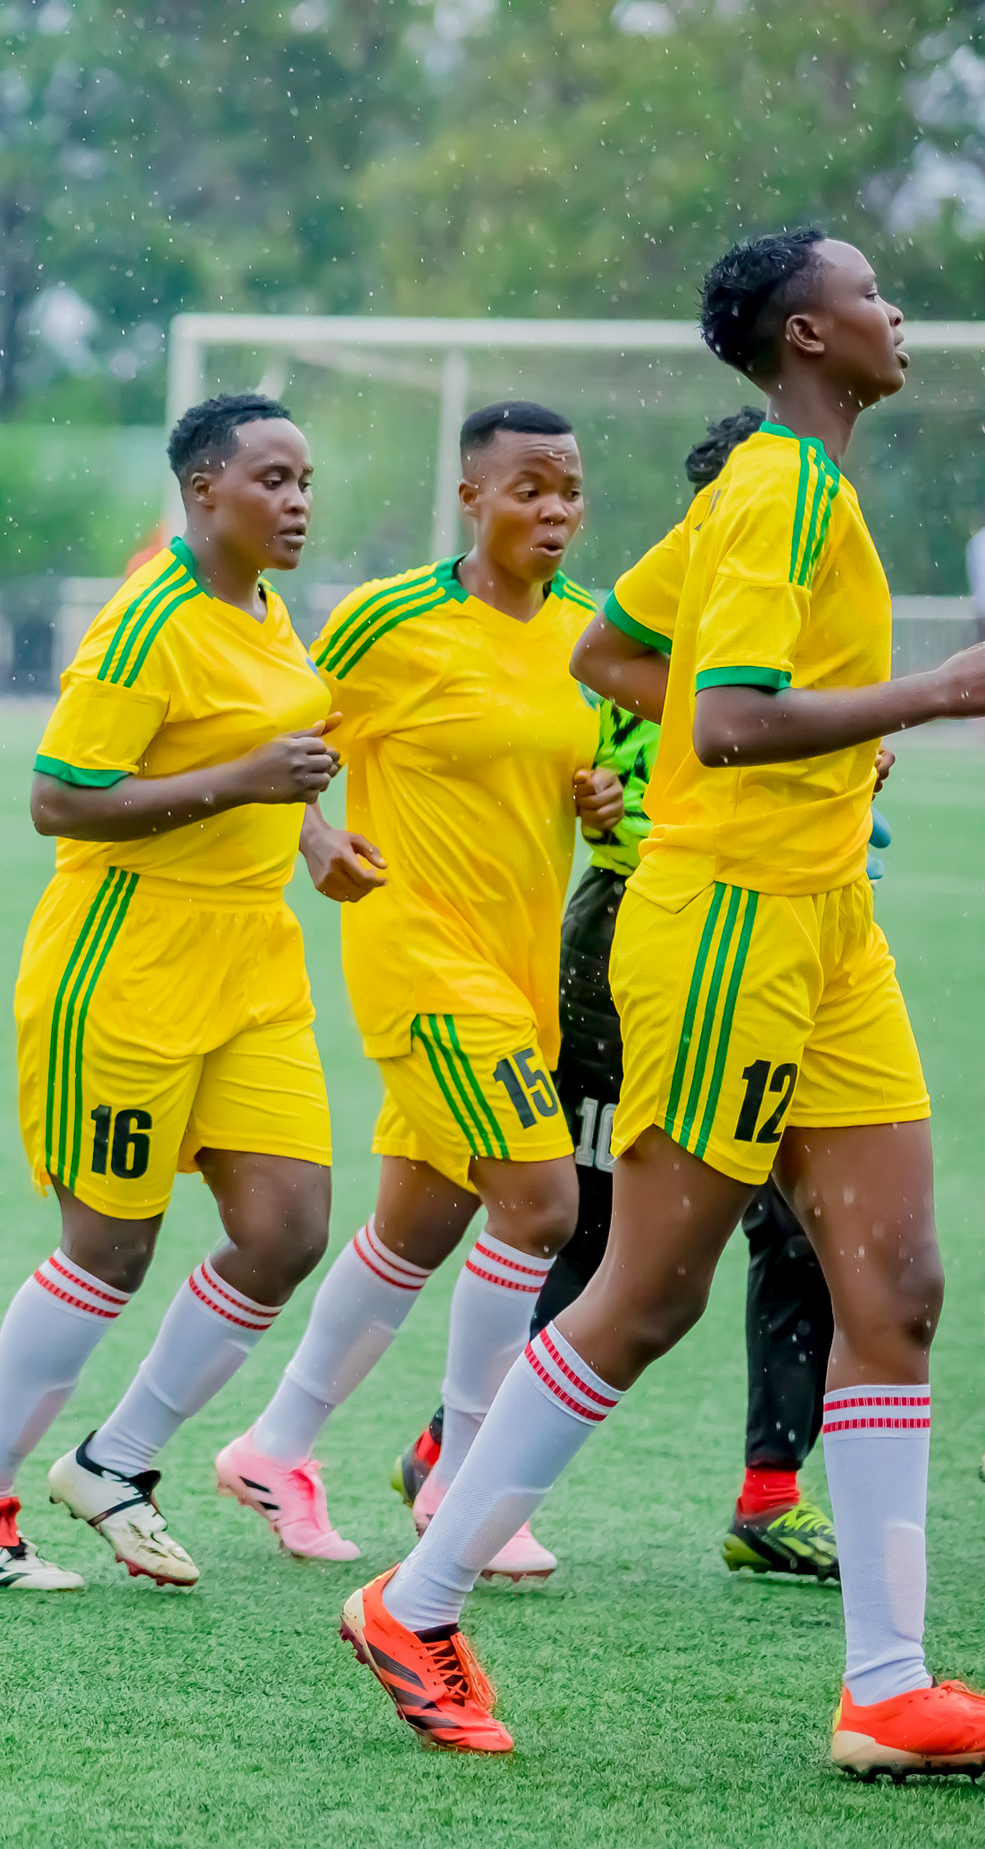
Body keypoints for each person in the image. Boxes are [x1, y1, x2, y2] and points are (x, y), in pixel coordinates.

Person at [342, 229, 985, 1774]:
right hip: (726, 932)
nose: (895, 309)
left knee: (895, 1290)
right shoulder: (778, 491)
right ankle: (415, 1603)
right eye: (869, 290)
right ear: (807, 336)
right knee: (647, 1293)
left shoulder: (775, 490)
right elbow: (730, 719)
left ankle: (888, 1691)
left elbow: (614, 651)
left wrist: (828, 749)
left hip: (827, 925)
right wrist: (930, 693)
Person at [387, 406, 847, 1585]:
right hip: (649, 938)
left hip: (807, 942)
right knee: (593, 1224)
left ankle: (770, 1488)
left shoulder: (810, 620)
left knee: (806, 1229)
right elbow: (596, 749)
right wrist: (599, 801)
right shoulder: (650, 627)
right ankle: (459, 1460)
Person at [0, 391, 340, 1593]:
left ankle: (115, 1460)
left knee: (286, 1229)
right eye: (272, 479)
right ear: (204, 490)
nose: (297, 501)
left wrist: (315, 836)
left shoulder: (267, 611)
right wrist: (244, 780)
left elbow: (271, 760)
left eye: (305, 480)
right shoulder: (146, 620)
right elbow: (60, 798)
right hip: (127, 961)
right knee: (110, 1247)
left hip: (253, 964)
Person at [214, 402, 622, 1577]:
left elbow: (576, 771)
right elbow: (278, 739)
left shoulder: (588, 632)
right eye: (529, 488)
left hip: (519, 970)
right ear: (471, 498)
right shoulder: (391, 619)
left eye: (569, 490)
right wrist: (314, 837)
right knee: (541, 1205)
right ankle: (463, 1477)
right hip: (419, 958)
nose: (554, 510)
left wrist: (595, 795)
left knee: (419, 1225)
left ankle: (273, 1446)